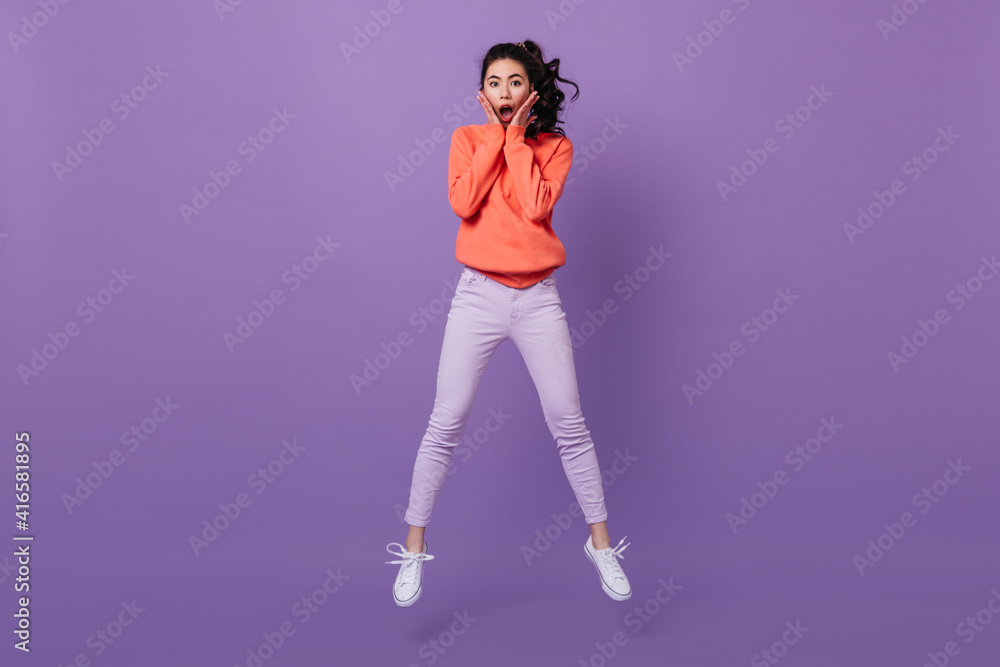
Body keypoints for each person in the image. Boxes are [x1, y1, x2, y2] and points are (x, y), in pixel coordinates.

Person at [385, 40, 631, 608]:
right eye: (494, 83)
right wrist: (498, 139)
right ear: (483, 93)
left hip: (538, 298)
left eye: (514, 82)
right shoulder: (466, 140)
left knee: (569, 421)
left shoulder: (555, 147)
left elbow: (536, 207)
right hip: (478, 297)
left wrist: (518, 140)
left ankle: (601, 545)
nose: (504, 92)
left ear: (532, 90)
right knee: (445, 421)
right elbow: (465, 203)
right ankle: (414, 547)